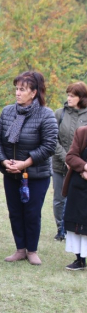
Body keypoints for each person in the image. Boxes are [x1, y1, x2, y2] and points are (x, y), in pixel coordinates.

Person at [0, 71, 58, 265]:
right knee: (15, 211)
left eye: (22, 89)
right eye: (17, 89)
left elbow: (49, 145)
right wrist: (4, 161)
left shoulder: (46, 114)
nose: (17, 93)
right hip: (11, 173)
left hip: (35, 174)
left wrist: (25, 163)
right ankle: (20, 249)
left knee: (31, 212)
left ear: (34, 92)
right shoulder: (7, 112)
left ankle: (32, 250)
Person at [52, 82, 87, 241]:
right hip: (60, 164)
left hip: (81, 168)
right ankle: (61, 229)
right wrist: (65, 157)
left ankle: (79, 227)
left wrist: (78, 164)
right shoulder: (60, 114)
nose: (69, 98)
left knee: (77, 198)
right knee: (59, 198)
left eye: (72, 96)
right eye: (68, 95)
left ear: (81, 97)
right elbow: (53, 139)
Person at [62, 126, 87, 270]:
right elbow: (70, 157)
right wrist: (84, 167)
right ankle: (80, 260)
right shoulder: (82, 132)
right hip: (79, 188)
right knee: (78, 223)